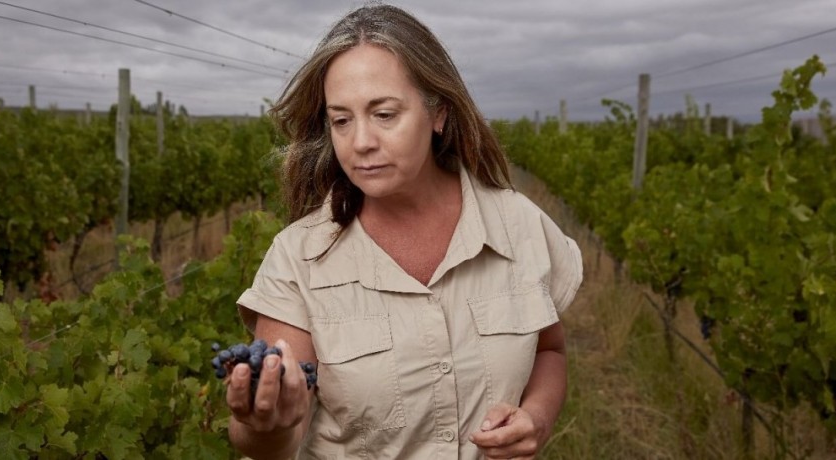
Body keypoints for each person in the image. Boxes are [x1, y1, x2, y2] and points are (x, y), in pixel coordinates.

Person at [226, 3, 583, 459]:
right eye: (341, 120)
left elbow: (550, 350)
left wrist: (536, 417)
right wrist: (265, 425)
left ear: (438, 113)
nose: (360, 142)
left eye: (385, 114)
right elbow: (276, 437)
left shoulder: (520, 226)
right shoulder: (299, 258)